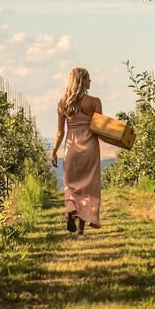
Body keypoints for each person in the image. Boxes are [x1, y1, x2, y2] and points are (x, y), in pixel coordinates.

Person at [51, 66, 101, 234]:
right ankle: (81, 229)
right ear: (82, 81)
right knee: (88, 187)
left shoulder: (63, 103)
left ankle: (71, 209)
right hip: (90, 148)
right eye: (88, 78)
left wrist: (54, 151)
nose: (91, 81)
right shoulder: (94, 102)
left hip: (71, 148)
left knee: (71, 185)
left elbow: (60, 132)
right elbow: (100, 129)